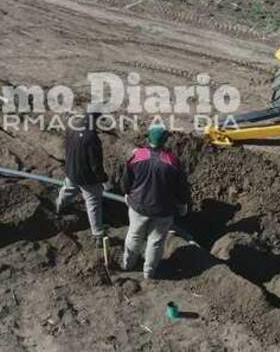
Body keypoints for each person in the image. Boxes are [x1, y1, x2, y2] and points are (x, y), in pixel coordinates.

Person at [122, 123, 190, 279]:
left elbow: (126, 179)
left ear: (148, 139)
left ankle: (128, 264)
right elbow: (181, 188)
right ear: (165, 140)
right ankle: (149, 272)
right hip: (162, 210)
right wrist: (182, 204)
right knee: (156, 241)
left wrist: (126, 193)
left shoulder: (136, 156)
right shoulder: (172, 162)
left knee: (134, 235)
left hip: (138, 206)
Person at [56, 106, 110, 247]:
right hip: (87, 178)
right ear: (95, 118)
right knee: (93, 204)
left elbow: (66, 148)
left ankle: (58, 207)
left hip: (71, 171)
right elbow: (95, 164)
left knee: (67, 191)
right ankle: (98, 235)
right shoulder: (92, 137)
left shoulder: (72, 126)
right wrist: (102, 178)